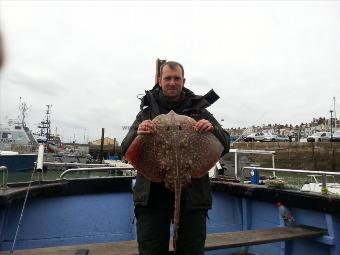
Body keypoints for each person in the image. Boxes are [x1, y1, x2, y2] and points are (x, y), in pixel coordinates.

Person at [121, 61, 230, 255]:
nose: (172, 82)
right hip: (151, 196)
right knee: (151, 249)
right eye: (168, 78)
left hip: (193, 195)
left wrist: (212, 130)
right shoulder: (146, 113)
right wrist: (139, 133)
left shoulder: (200, 112)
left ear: (183, 81)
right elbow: (125, 148)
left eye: (176, 78)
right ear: (159, 81)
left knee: (191, 249)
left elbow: (225, 144)